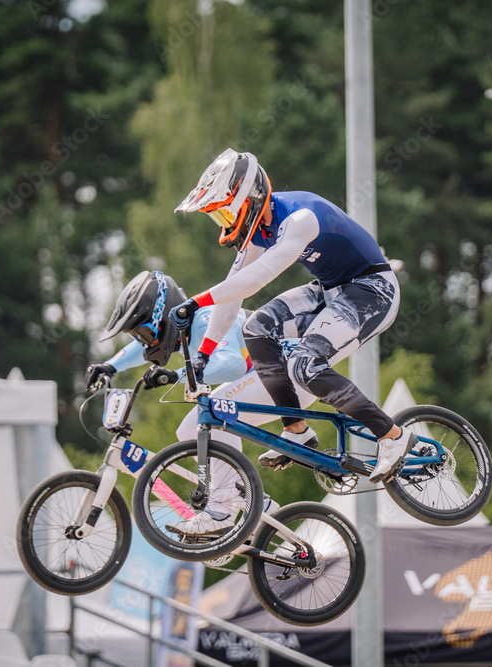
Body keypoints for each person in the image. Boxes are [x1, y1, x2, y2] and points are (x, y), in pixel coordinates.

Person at [171, 148, 415, 483]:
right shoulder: (260, 228)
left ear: (250, 198)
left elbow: (257, 278)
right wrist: (203, 355)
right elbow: (233, 293)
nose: (226, 225)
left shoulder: (299, 218)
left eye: (227, 214)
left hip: (373, 290)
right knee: (257, 328)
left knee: (303, 364)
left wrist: (195, 302)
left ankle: (392, 436)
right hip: (332, 290)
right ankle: (296, 429)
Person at [85, 269, 317, 535]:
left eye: (146, 334)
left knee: (208, 416)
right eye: (140, 337)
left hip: (288, 372)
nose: (146, 344)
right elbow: (141, 350)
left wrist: (177, 374)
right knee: (189, 430)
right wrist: (110, 366)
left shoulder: (206, 317)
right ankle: (249, 498)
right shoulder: (185, 327)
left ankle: (222, 511)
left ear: (164, 315)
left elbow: (232, 363)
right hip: (272, 376)